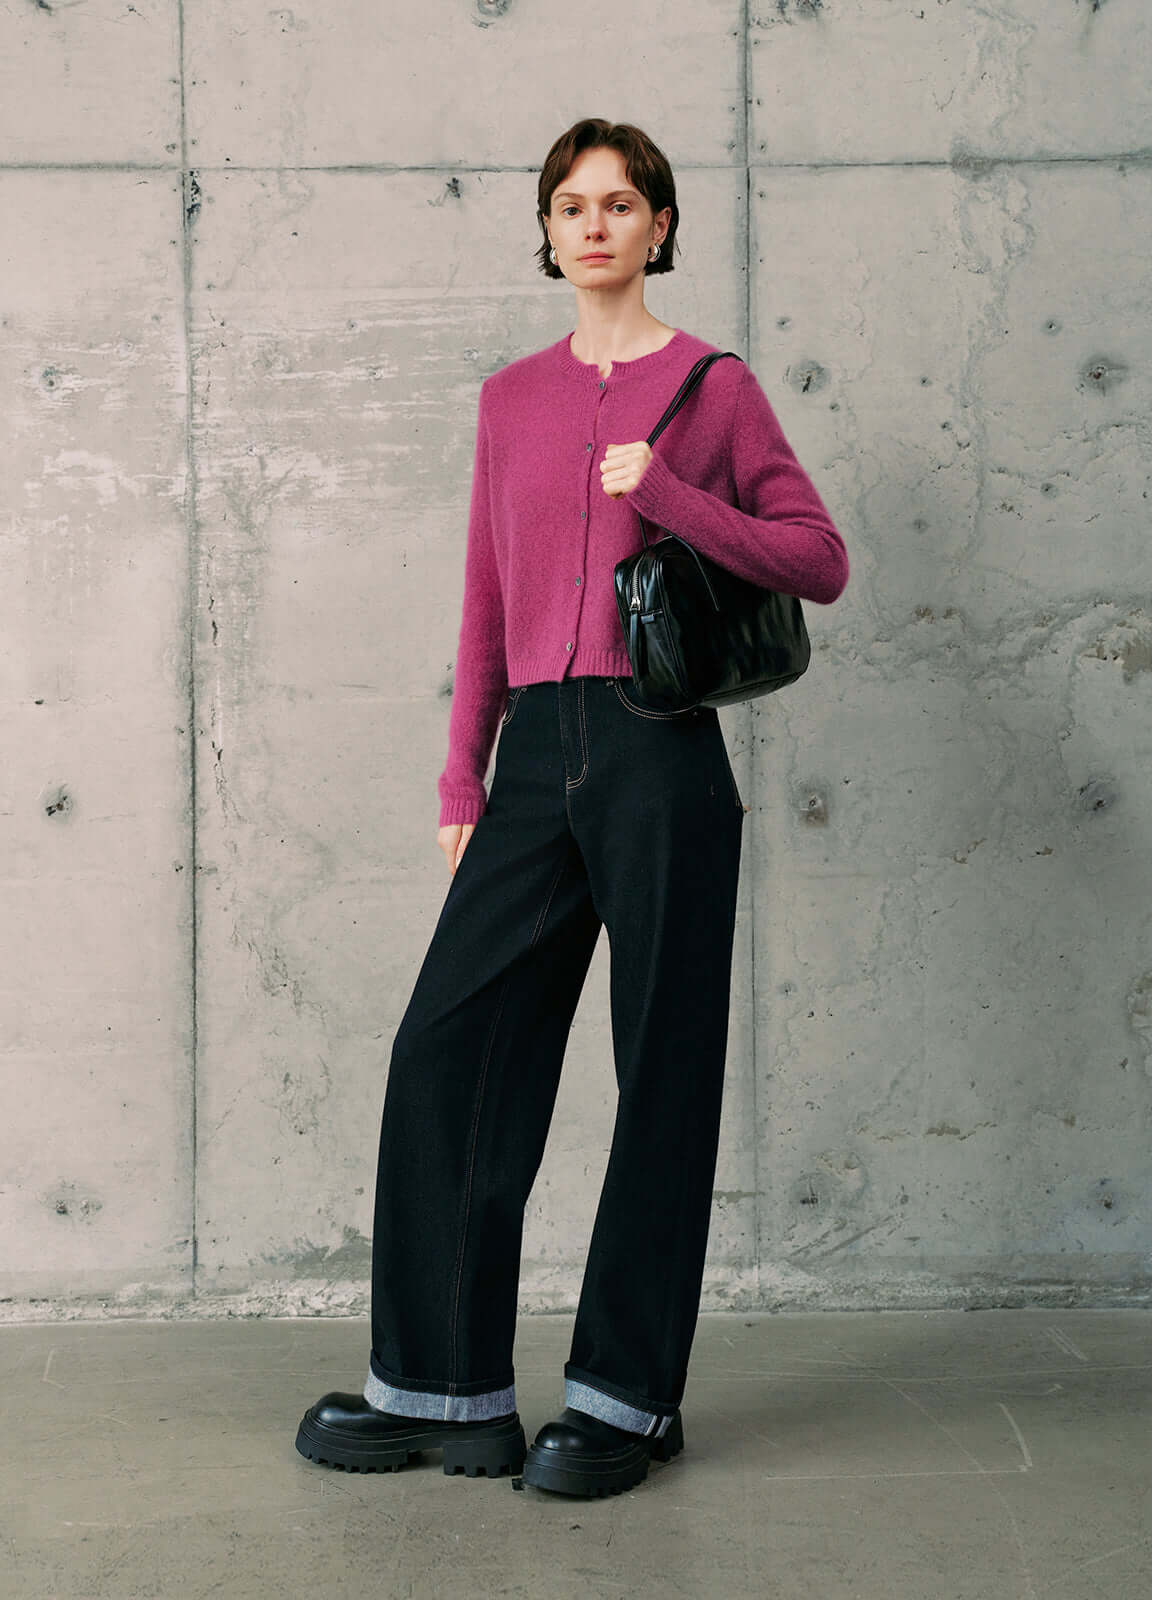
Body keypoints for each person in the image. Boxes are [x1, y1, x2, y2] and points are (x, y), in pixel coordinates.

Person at [295, 116, 849, 1498]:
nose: (593, 223)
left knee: (660, 1074)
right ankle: (443, 1391)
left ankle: (623, 1402)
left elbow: (816, 558)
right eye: (570, 205)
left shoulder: (710, 390)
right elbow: (486, 600)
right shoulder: (510, 401)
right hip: (538, 750)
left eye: (621, 202)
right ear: (546, 234)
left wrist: (666, 493)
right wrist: (459, 775)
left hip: (661, 748)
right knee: (449, 1054)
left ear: (661, 226)